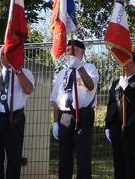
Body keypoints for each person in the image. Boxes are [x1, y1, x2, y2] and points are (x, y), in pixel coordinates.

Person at [50, 39, 99, 179]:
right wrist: (55, 122)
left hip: (83, 114)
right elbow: (55, 99)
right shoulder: (61, 73)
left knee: (83, 156)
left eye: (73, 50)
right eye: (67, 50)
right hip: (65, 116)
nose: (69, 53)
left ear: (82, 52)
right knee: (64, 156)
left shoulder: (90, 68)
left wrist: (79, 67)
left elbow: (90, 85)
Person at [0, 51, 35, 179]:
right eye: (1, 54)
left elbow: (28, 89)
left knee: (14, 159)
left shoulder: (25, 73)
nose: (3, 57)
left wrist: (17, 70)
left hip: (14, 119)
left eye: (6, 53)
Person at [105, 51, 135, 179]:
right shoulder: (116, 82)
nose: (126, 66)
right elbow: (111, 104)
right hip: (115, 126)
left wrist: (126, 87)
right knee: (117, 161)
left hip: (130, 125)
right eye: (124, 63)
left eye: (129, 63)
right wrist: (107, 125)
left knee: (129, 161)